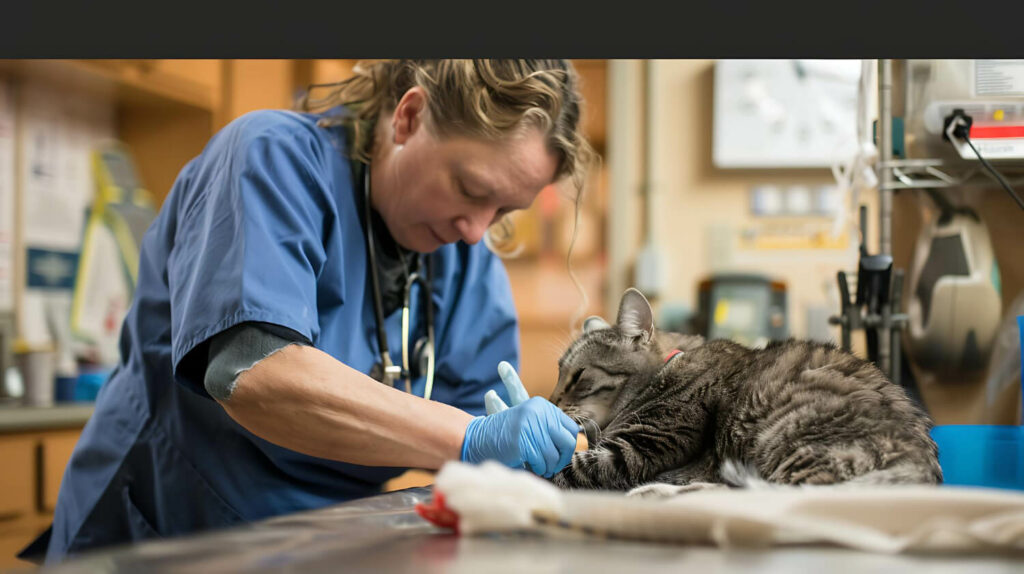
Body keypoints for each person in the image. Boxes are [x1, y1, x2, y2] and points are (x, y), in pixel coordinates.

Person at [25, 59, 594, 563]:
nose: (475, 232)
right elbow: (252, 371)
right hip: (171, 532)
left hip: (327, 542)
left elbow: (475, 437)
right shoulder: (271, 158)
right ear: (409, 117)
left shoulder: (467, 263)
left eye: (503, 212)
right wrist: (470, 437)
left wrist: (512, 461)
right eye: (470, 188)